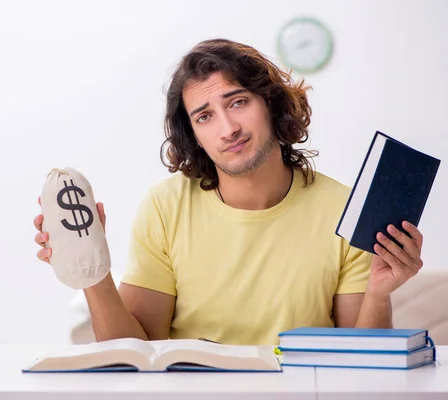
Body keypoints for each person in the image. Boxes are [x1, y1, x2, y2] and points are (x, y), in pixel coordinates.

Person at [33, 38, 425, 345]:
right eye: (205, 116)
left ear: (271, 105)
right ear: (195, 136)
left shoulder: (344, 208)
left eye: (237, 102)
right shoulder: (165, 207)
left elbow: (361, 366)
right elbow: (137, 354)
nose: (227, 129)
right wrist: (94, 274)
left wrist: (378, 293)